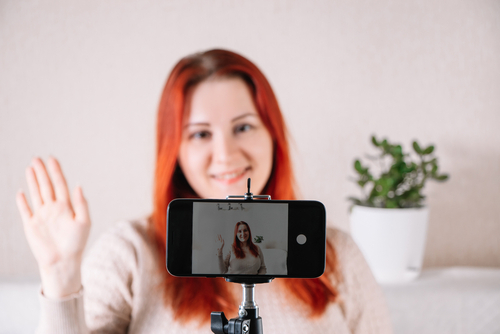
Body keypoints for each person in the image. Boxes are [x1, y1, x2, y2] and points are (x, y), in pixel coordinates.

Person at [16, 49, 393, 333]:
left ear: (273, 135)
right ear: (174, 151)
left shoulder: (335, 256)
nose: (226, 154)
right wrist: (61, 277)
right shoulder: (129, 254)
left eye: (244, 127)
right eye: (200, 134)